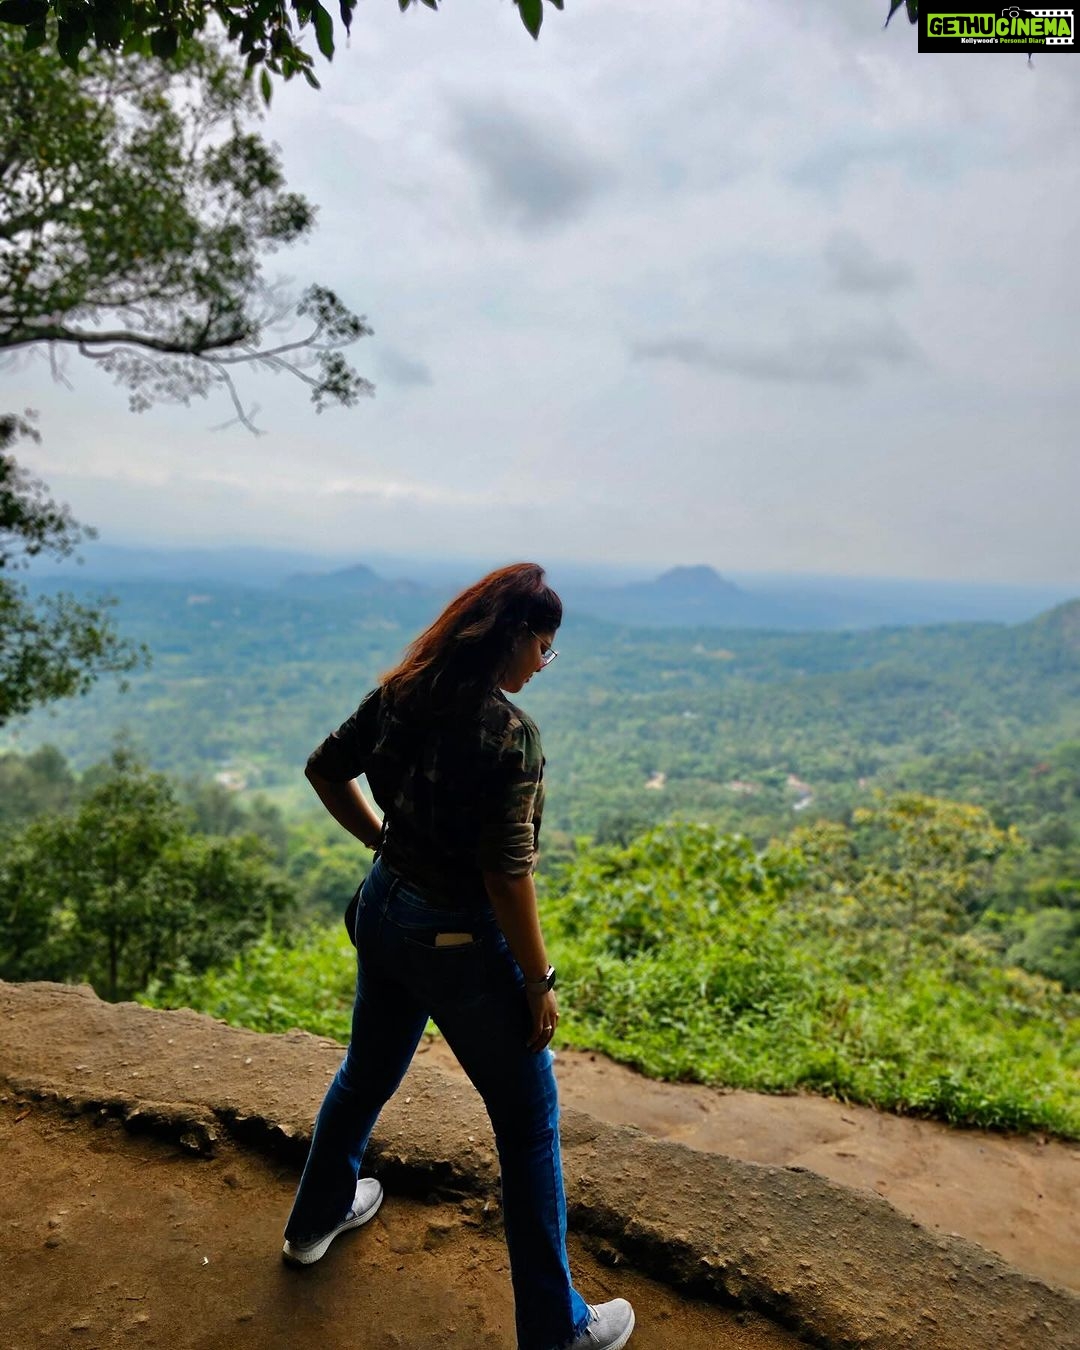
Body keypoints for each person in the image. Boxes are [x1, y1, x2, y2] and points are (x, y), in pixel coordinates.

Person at [282, 563, 635, 1350]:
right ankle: (557, 1330)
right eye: (543, 648)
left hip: (384, 909)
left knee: (365, 1073)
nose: (542, 664)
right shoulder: (509, 736)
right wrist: (538, 981)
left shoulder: (404, 691)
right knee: (530, 1125)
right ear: (515, 637)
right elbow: (507, 876)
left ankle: (314, 1220)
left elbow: (324, 768)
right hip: (457, 940)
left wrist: (383, 843)